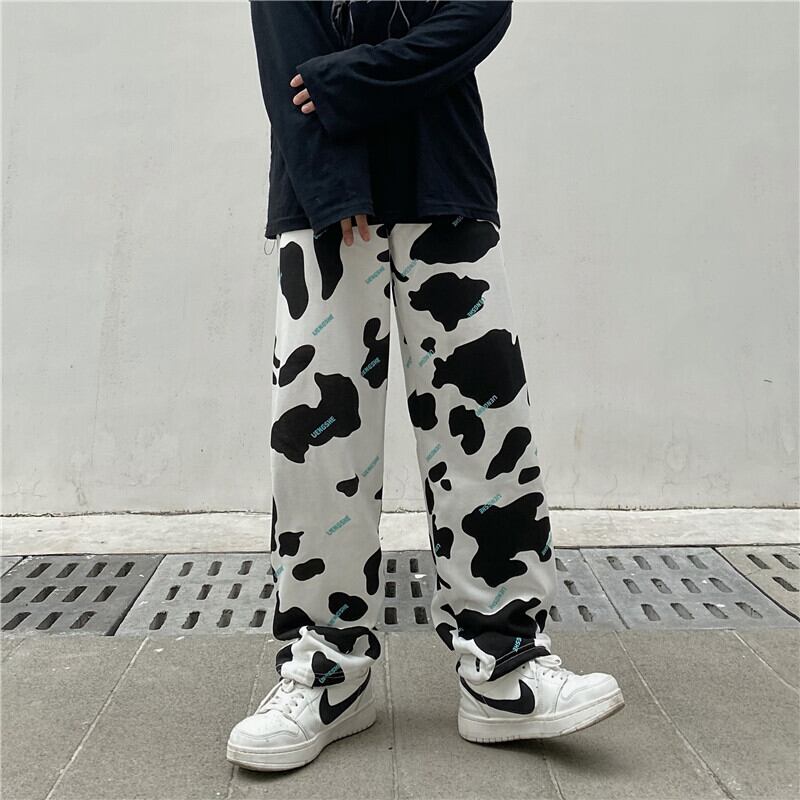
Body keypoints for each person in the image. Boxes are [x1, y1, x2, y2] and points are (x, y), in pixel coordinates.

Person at [228, 0, 624, 772]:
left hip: (445, 176)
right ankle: (325, 667)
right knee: (319, 446)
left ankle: (504, 663)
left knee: (487, 428)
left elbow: (480, 13)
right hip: (321, 193)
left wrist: (353, 78)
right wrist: (336, 187)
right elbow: (287, 50)